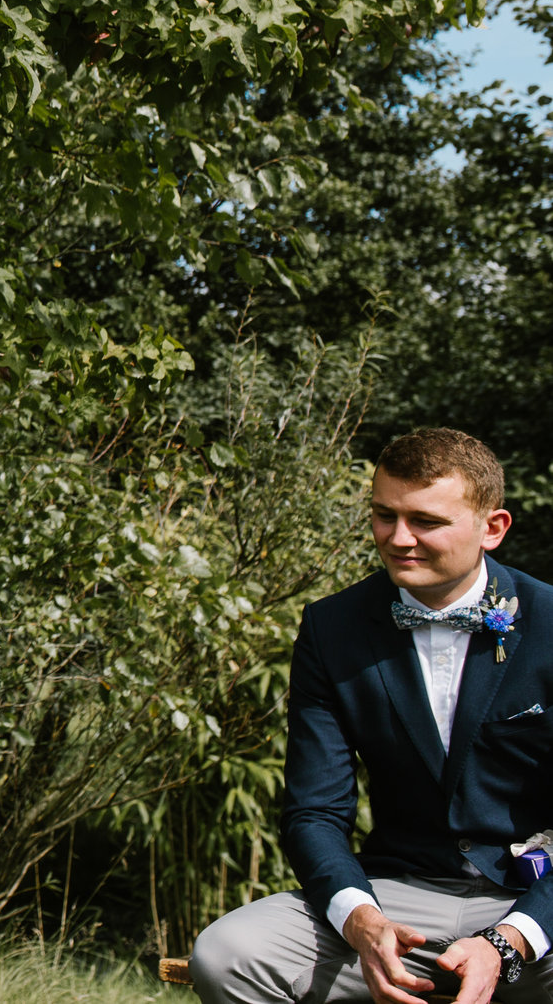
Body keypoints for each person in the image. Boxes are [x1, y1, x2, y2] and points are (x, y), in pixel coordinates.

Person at [190, 428, 553, 1004]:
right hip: (395, 893)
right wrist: (361, 918)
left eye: (426, 521)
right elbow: (314, 810)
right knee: (227, 954)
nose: (398, 538)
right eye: (385, 515)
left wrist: (509, 941)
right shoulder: (332, 628)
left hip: (534, 900)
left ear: (493, 528)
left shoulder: (551, 620)